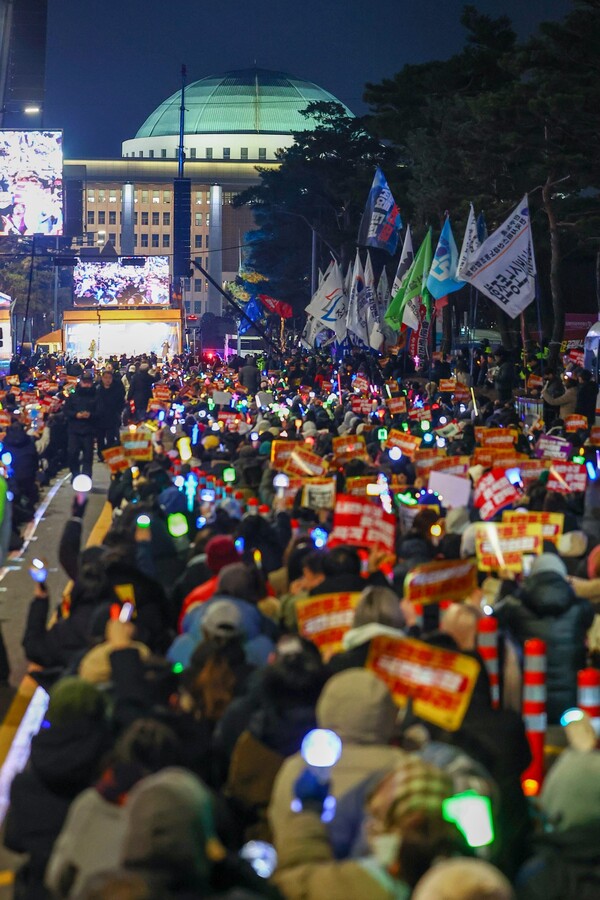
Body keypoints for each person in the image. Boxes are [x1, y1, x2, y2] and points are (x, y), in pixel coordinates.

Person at [63, 371, 97, 480]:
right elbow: (66, 410)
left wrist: (90, 415)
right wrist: (76, 415)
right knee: (72, 454)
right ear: (81, 382)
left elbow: (100, 411)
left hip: (89, 430)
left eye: (89, 382)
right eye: (85, 382)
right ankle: (75, 474)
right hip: (74, 429)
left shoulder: (96, 395)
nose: (87, 385)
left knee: (88, 456)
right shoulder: (73, 396)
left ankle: (86, 477)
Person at [95, 369, 125, 459]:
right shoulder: (97, 389)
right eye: (105, 378)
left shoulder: (116, 390)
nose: (107, 380)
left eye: (109, 378)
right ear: (102, 378)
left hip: (112, 417)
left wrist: (118, 412)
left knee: (110, 438)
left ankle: (109, 455)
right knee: (100, 438)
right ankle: (101, 455)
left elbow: (121, 402)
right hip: (100, 418)